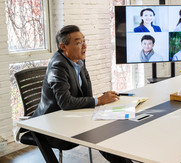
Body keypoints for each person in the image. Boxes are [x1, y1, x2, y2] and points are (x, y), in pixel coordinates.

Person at [32, 25, 132, 163]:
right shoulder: (58, 66)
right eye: (78, 43)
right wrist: (98, 101)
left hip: (73, 118)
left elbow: (87, 94)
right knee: (102, 133)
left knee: (112, 127)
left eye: (84, 41)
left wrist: (101, 99)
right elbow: (66, 103)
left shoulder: (79, 60)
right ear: (63, 46)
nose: (84, 46)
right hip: (51, 127)